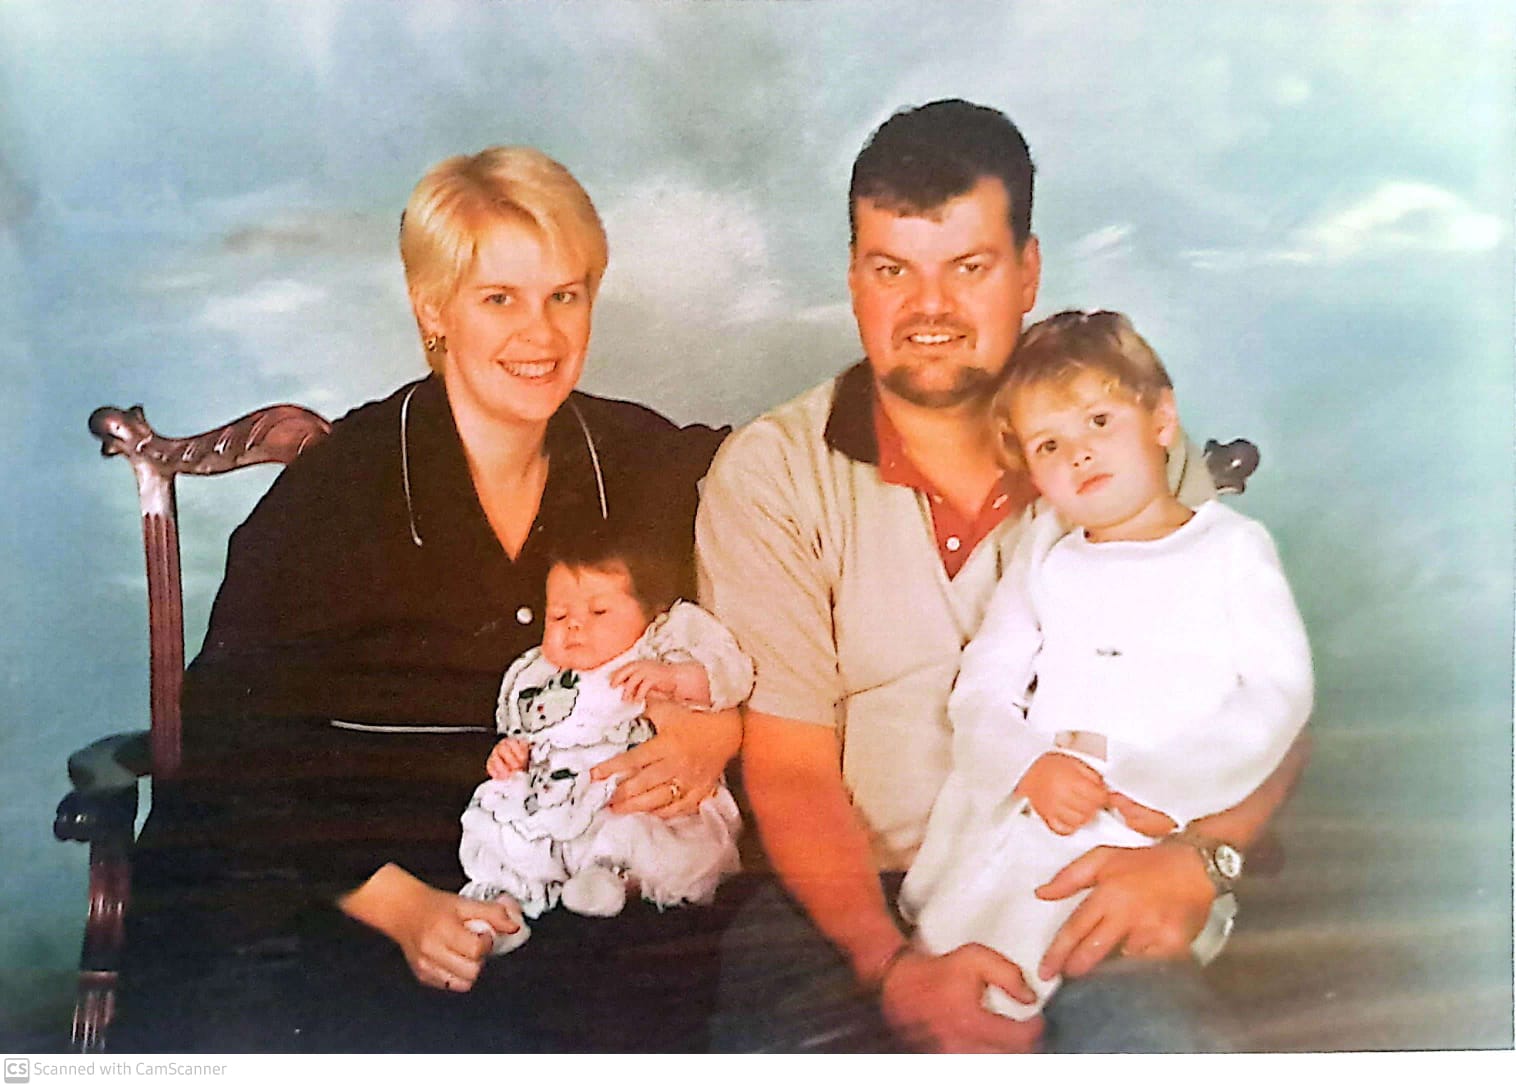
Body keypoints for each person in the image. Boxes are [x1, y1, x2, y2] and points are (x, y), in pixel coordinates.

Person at [696, 99, 1311, 1053]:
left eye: (969, 267)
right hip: (854, 900)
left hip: (1092, 876)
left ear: (1028, 272)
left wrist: (1201, 859)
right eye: (892, 269)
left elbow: (1271, 702)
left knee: (1158, 1053)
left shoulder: (1116, 444)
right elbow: (789, 767)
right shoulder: (772, 473)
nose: (929, 309)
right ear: (854, 278)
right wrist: (891, 967)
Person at [112, 146, 739, 1053]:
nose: (541, 334)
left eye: (565, 295)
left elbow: (784, 481)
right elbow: (231, 740)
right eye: (500, 299)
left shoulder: (639, 460)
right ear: (433, 309)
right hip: (351, 893)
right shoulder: (337, 492)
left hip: (573, 888)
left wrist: (723, 726)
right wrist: (399, 906)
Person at [900, 309, 1314, 1020]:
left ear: (1161, 420)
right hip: (1037, 808)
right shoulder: (1045, 551)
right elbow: (983, 687)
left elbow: (1277, 695)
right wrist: (1027, 764)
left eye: (1099, 421)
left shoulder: (1230, 550)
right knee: (972, 981)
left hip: (1151, 828)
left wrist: (1162, 787)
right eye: (1049, 444)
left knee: (1100, 978)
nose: (1080, 454)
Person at [459, 532, 750, 930]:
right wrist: (511, 753)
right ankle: (503, 906)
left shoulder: (659, 649)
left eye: (598, 612)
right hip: (557, 798)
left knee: (642, 833)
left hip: (636, 796)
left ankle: (616, 879)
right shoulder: (540, 675)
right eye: (558, 616)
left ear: (651, 614)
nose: (575, 625)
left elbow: (730, 678)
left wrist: (676, 679)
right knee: (499, 823)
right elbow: (527, 731)